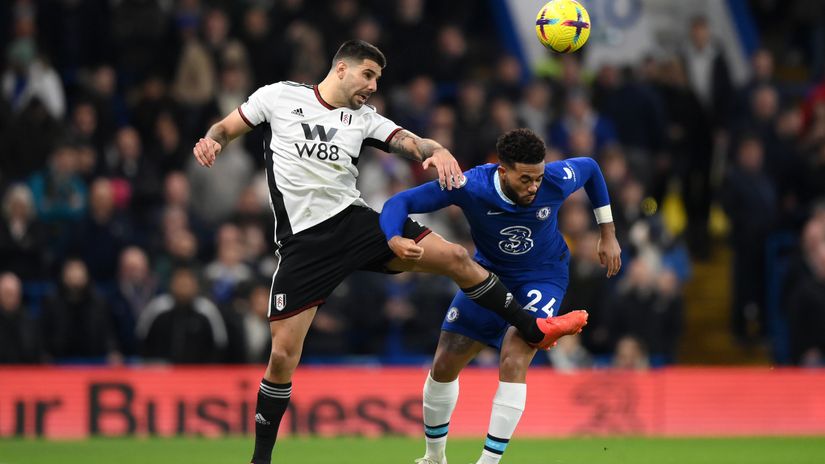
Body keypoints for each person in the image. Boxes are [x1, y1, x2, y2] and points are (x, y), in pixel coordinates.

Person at [191, 40, 580, 464]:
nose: (373, 86)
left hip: (355, 224)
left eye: (377, 78)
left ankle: (531, 327)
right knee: (283, 356)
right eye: (368, 75)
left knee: (455, 258)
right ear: (341, 69)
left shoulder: (364, 119)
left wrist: (438, 151)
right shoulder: (279, 96)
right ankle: (260, 460)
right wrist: (212, 141)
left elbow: (410, 142)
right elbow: (225, 127)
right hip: (303, 245)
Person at [379, 128, 621, 464]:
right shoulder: (471, 186)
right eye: (526, 179)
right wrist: (393, 237)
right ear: (503, 171)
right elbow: (399, 202)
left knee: (516, 351)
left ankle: (489, 462)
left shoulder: (555, 179)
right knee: (445, 361)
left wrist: (607, 233)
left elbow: (591, 169)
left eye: (538, 178)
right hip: (488, 276)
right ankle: (434, 457)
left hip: (543, 276)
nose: (534, 187)